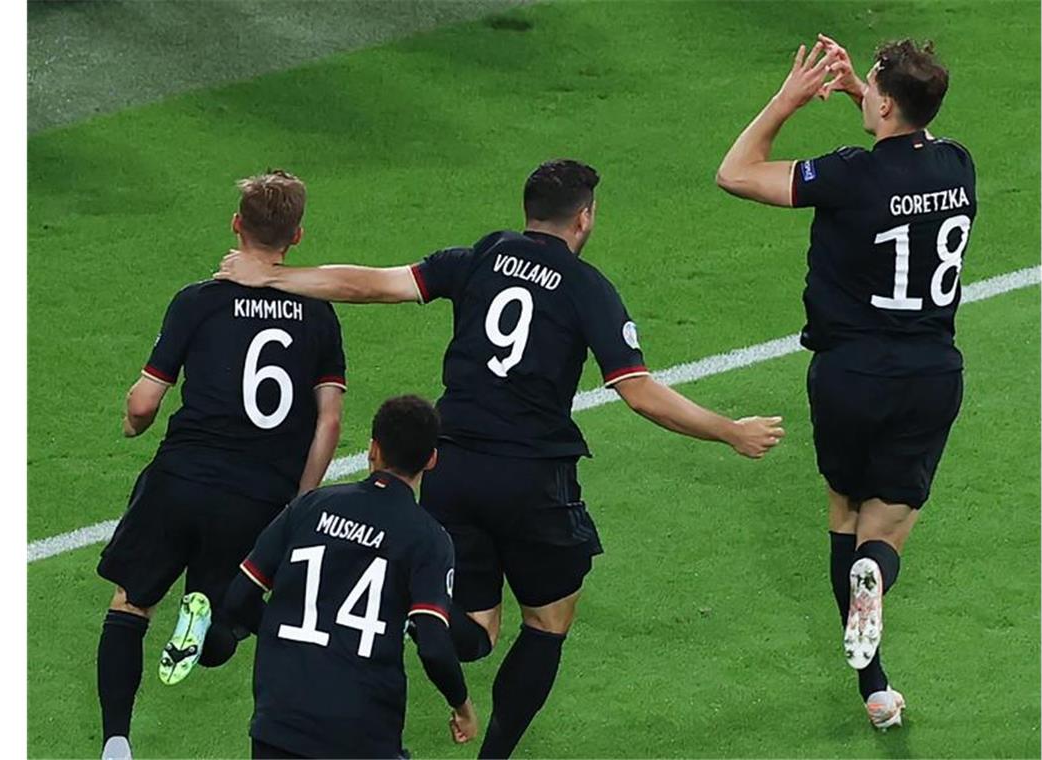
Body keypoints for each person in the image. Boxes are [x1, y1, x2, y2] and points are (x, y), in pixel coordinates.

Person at [215, 158, 785, 757]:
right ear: (584, 218)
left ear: (528, 210)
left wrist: (272, 277)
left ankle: (420, 619)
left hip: (450, 467)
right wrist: (730, 431)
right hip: (532, 479)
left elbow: (375, 283)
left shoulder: (481, 256)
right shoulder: (587, 287)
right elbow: (639, 392)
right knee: (548, 621)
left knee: (480, 630)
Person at [714, 36, 976, 729]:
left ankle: (875, 683)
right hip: (929, 373)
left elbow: (736, 172)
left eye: (871, 87)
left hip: (850, 373)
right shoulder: (958, 165)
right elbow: (911, 143)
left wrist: (789, 99)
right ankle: (876, 645)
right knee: (884, 533)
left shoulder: (847, 175)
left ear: (885, 103)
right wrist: (876, 94)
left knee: (844, 516)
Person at [95, 170, 347, 760]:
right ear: (298, 236)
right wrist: (300, 502)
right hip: (258, 495)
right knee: (233, 612)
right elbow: (329, 421)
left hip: (181, 478)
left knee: (131, 602)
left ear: (236, 225)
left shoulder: (198, 301)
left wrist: (133, 424)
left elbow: (143, 403)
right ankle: (215, 624)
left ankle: (115, 742)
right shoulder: (319, 314)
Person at [225, 395, 478, 759]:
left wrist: (283, 634)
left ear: (373, 450)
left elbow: (238, 600)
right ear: (432, 459)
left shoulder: (310, 507)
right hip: (361, 733)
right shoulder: (429, 539)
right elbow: (435, 645)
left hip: (280, 724)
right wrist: (463, 706)